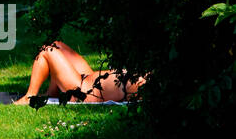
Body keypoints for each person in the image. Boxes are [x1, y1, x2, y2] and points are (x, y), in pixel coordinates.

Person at [14, 40, 146, 105]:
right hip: (88, 78)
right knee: (56, 44)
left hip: (81, 91)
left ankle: (29, 97)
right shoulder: (151, 76)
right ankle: (51, 93)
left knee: (47, 51)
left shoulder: (145, 86)